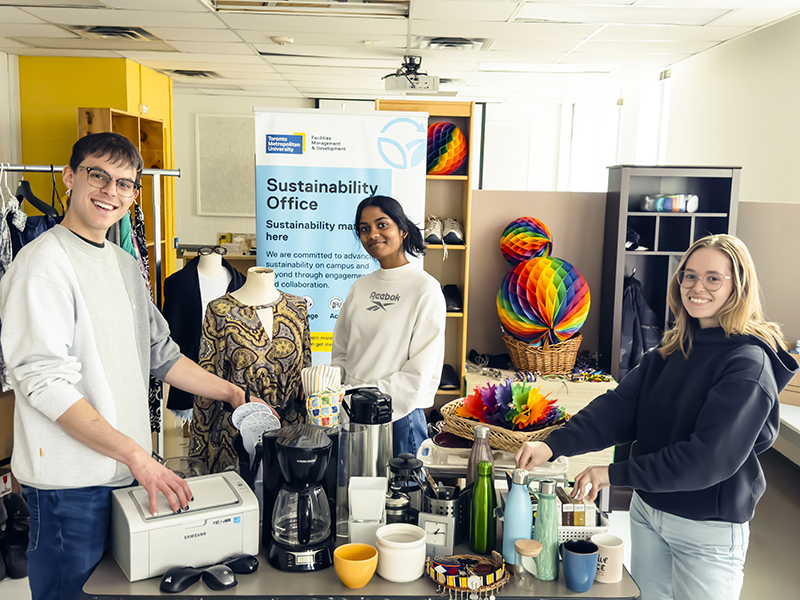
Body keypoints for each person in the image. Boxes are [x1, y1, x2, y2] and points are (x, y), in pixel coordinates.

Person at [0, 133, 265, 600]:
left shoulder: (123, 264)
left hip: (124, 473)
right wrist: (138, 456)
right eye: (97, 176)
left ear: (134, 195)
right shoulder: (42, 264)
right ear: (69, 178)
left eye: (124, 183)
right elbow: (44, 382)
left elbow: (162, 354)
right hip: (69, 485)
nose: (110, 191)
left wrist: (231, 394)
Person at [516, 234, 797, 600]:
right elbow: (618, 409)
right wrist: (552, 445)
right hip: (648, 511)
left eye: (713, 278)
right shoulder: (671, 349)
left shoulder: (747, 364)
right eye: (689, 275)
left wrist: (614, 473)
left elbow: (707, 459)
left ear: (739, 286)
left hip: (707, 527)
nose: (697, 287)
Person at [331, 195, 446, 456]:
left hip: (399, 418)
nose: (373, 234)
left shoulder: (425, 288)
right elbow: (341, 352)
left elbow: (420, 371)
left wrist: (363, 399)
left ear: (402, 230)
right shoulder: (361, 287)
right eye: (364, 229)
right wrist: (334, 393)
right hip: (352, 415)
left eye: (382, 225)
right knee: (353, 495)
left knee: (403, 497)